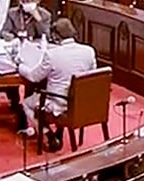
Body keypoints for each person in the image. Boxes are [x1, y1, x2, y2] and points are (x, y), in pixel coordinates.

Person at [18, 18, 96, 150]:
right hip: (81, 102)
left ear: (55, 36)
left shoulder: (52, 55)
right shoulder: (89, 51)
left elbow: (33, 77)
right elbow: (92, 75)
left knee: (27, 103)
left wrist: (20, 67)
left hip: (59, 103)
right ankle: (59, 131)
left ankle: (48, 135)